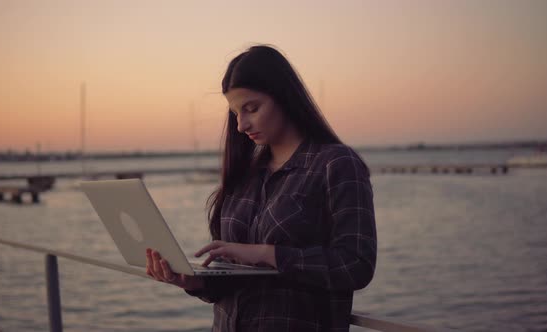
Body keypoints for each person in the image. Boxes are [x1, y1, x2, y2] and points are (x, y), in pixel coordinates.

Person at [146, 44, 377, 331]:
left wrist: (265, 254)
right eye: (235, 113)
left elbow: (356, 266)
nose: (241, 125)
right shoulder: (244, 176)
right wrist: (192, 281)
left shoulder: (336, 164)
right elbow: (231, 280)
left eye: (252, 109)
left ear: (284, 97)